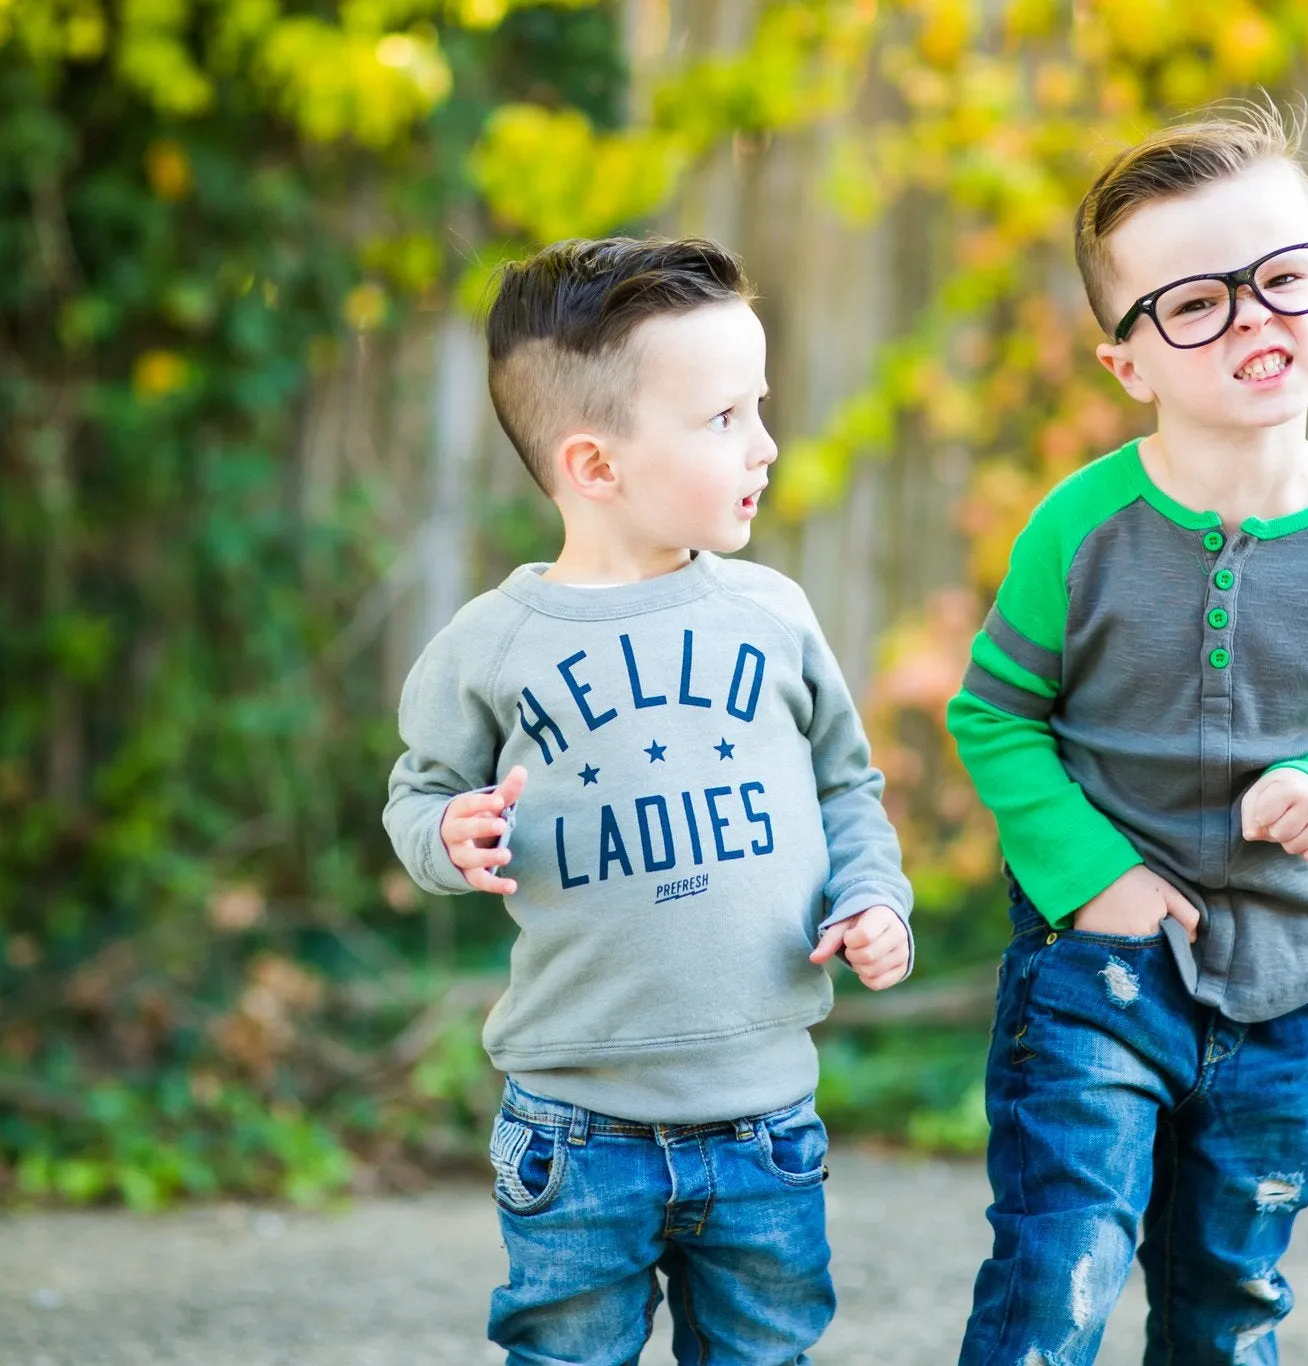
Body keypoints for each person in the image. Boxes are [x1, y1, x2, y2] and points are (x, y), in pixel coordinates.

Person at [948, 105, 1308, 1365]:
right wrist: (1091, 879)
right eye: (1193, 303)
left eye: (1282, 276)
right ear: (1128, 362)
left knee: (1227, 1293)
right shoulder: (1081, 529)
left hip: (1279, 975)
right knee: (1061, 1257)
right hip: (1092, 971)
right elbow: (993, 715)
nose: (1252, 316)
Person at [383, 235, 913, 1366]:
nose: (764, 443)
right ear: (594, 464)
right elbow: (418, 793)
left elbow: (845, 785)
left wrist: (876, 897)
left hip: (764, 1120)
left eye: (758, 407)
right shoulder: (492, 645)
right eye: (724, 418)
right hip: (575, 1131)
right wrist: (445, 832)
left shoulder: (771, 615)